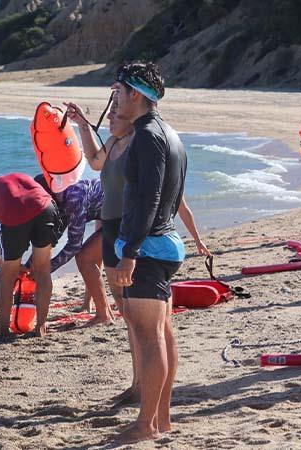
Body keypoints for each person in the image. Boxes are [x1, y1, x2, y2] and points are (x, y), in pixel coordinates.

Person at [64, 100, 209, 407]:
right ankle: (137, 384)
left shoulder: (141, 144)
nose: (110, 117)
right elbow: (93, 160)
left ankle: (147, 388)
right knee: (128, 314)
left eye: (116, 112)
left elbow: (164, 195)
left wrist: (195, 238)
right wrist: (81, 125)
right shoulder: (116, 140)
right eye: (110, 113)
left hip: (132, 229)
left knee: (142, 317)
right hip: (113, 231)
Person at [109, 61, 187, 444]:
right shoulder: (169, 132)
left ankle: (146, 425)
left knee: (148, 335)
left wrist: (131, 252)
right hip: (164, 244)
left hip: (149, 248)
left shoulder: (147, 136)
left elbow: (149, 198)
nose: (115, 98)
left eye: (119, 92)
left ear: (135, 95)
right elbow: (170, 198)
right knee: (162, 333)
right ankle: (163, 418)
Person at [0, 173, 63, 338]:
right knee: (43, 269)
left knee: (6, 277)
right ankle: (41, 326)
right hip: (47, 206)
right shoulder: (15, 180)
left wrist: (13, 268)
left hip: (16, 211)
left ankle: (4, 331)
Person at [30, 174, 114, 326]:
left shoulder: (73, 197)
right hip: (106, 209)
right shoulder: (59, 198)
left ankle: (103, 315)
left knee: (84, 257)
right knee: (92, 255)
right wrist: (31, 263)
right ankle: (90, 304)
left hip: (122, 214)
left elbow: (74, 245)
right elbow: (52, 237)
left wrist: (46, 269)